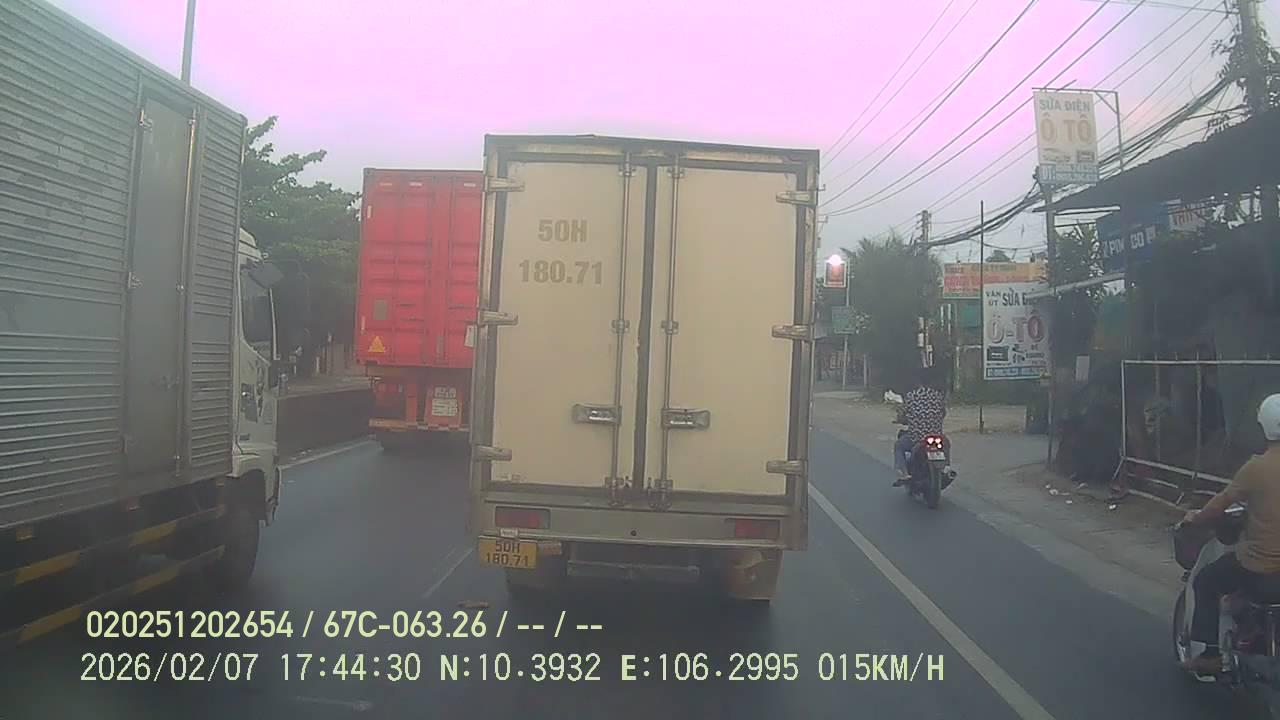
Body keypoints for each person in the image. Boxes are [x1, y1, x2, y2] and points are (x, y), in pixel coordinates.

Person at [1179, 393, 1280, 675]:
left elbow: (1220, 503)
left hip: (1262, 567)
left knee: (1206, 580)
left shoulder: (1256, 467)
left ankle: (1211, 655)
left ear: (1263, 428)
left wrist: (1196, 517)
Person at [892, 366, 947, 486]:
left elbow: (902, 415)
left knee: (898, 446)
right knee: (946, 444)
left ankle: (903, 473)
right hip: (936, 436)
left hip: (916, 437)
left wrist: (901, 420)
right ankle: (945, 468)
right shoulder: (938, 396)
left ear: (918, 381)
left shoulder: (911, 396)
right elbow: (943, 413)